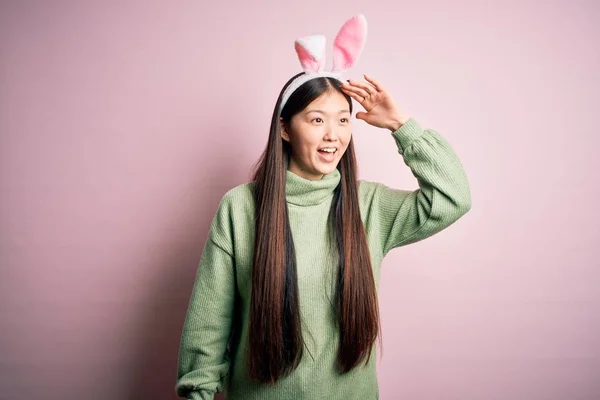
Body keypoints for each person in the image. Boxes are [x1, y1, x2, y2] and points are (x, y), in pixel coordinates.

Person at [175, 15, 471, 400]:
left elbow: (453, 197)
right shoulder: (240, 208)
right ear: (285, 128)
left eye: (343, 120)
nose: (333, 134)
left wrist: (401, 124)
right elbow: (206, 333)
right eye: (317, 119)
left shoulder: (369, 206)